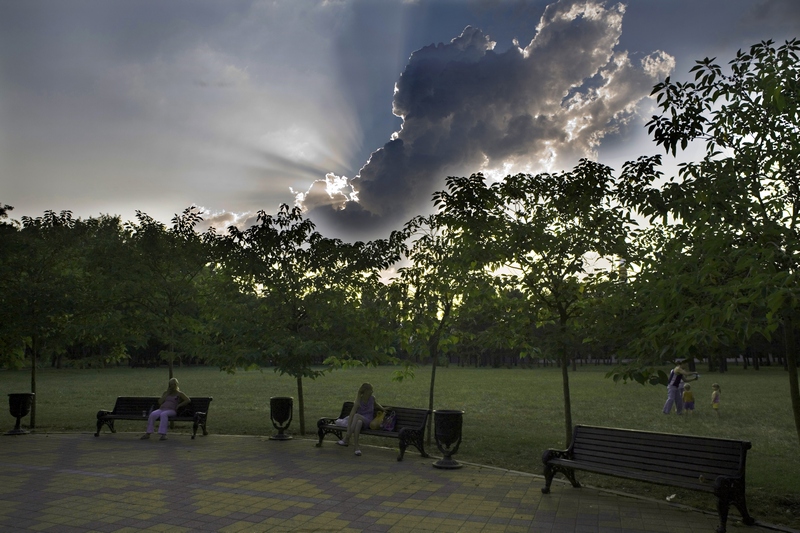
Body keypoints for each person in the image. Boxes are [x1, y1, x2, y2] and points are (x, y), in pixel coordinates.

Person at [338, 382, 383, 456]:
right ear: (365, 391)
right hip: (360, 421)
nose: (372, 391)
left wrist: (383, 409)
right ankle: (356, 448)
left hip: (368, 421)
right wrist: (349, 428)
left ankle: (347, 437)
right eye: (370, 390)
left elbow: (376, 404)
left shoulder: (372, 398)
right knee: (358, 422)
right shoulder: (358, 401)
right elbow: (351, 415)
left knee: (357, 416)